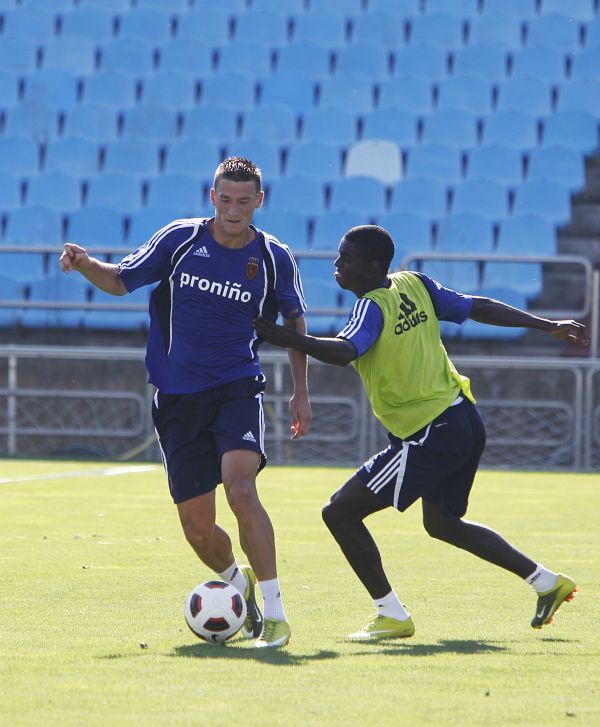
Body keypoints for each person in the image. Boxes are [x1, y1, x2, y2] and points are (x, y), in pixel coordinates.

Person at [253, 224, 586, 641]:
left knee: (339, 512)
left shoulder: (371, 306)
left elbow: (343, 352)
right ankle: (546, 582)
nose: (337, 264)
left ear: (374, 266)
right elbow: (475, 306)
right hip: (463, 419)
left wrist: (281, 335)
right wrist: (545, 324)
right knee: (443, 523)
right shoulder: (415, 284)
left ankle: (390, 614)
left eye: (346, 258)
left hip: (432, 432)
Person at [59, 157, 311, 648]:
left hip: (238, 388)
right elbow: (120, 279)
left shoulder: (275, 257)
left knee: (241, 490)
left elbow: (295, 325)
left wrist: (301, 390)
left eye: (244, 201)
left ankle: (278, 614)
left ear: (259, 201)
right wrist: (87, 264)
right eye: (225, 199)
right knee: (198, 530)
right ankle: (242, 592)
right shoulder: (179, 240)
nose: (234, 209)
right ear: (211, 196)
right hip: (177, 400)